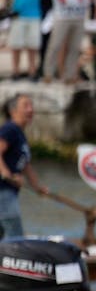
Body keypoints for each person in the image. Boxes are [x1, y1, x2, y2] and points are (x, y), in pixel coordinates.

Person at [0, 94, 50, 241]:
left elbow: (26, 165)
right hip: (3, 191)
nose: (31, 110)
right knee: (15, 237)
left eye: (31, 106)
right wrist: (7, 174)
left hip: (9, 192)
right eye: (26, 106)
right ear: (13, 111)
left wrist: (37, 187)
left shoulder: (20, 134)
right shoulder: (10, 129)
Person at [7, 0, 43, 79]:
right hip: (18, 15)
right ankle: (15, 71)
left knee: (33, 45)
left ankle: (32, 71)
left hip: (35, 15)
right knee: (16, 45)